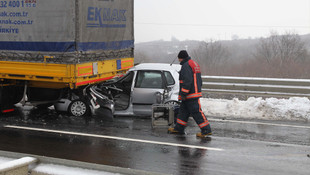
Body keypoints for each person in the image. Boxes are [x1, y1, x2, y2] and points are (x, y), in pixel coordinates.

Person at [168, 50, 212, 138]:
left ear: (181, 58)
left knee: (196, 112)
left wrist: (183, 93)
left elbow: (187, 81)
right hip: (193, 92)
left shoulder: (186, 66)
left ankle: (206, 130)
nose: (179, 61)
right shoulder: (193, 64)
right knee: (183, 112)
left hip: (190, 94)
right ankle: (179, 128)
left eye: (179, 59)